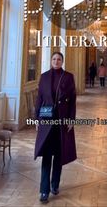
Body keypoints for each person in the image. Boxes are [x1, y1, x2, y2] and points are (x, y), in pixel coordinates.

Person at [34, 52, 77, 203]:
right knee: (46, 156)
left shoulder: (68, 77)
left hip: (61, 122)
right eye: (54, 59)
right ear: (50, 61)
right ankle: (44, 191)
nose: (56, 61)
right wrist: (37, 120)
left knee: (59, 156)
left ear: (62, 61)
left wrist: (71, 120)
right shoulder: (44, 76)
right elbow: (39, 99)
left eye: (59, 59)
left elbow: (72, 100)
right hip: (46, 122)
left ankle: (55, 185)